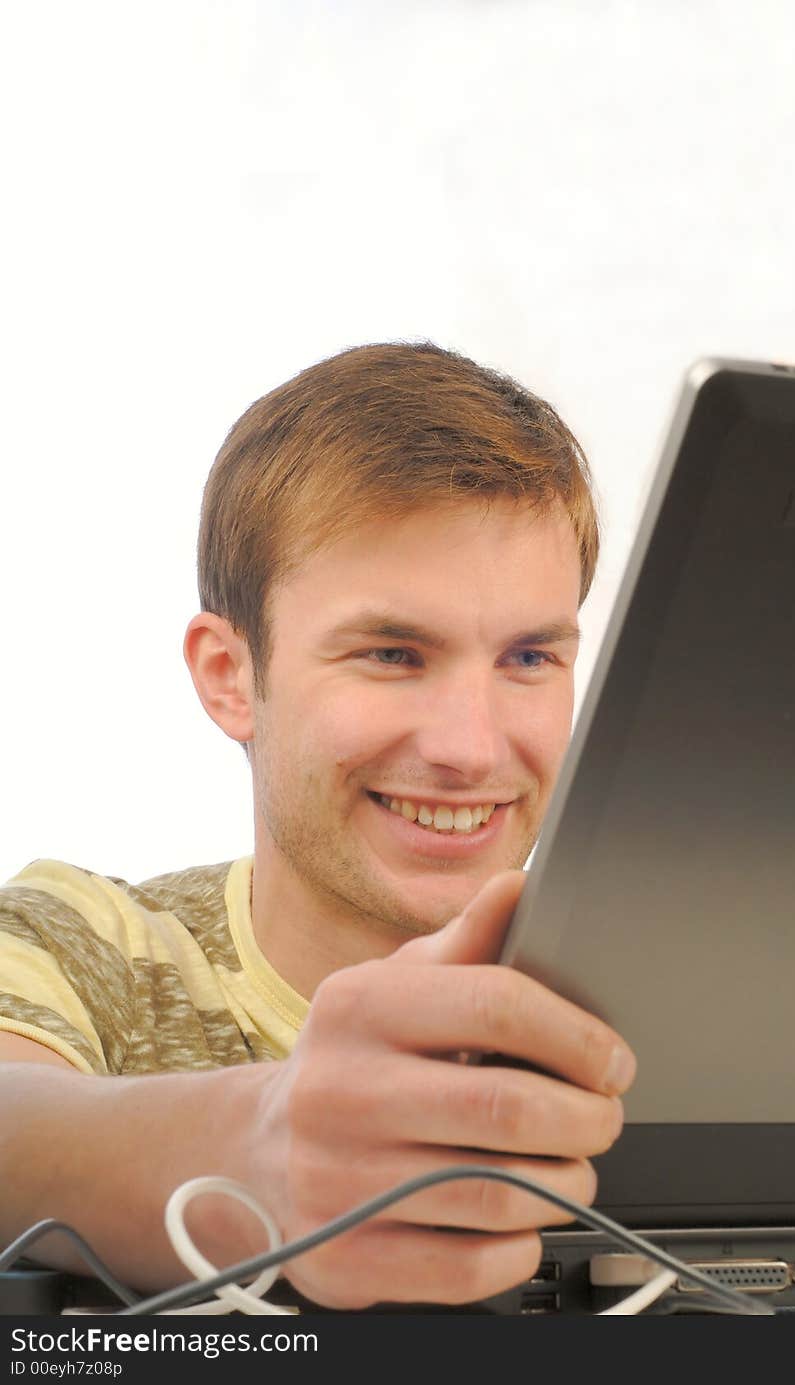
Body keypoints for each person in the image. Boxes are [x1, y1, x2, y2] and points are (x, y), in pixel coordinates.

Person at [0, 342, 636, 1310]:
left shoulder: (670, 992)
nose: (471, 747)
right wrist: (262, 1138)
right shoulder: (88, 943)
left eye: (527, 657)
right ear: (228, 675)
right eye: (392, 652)